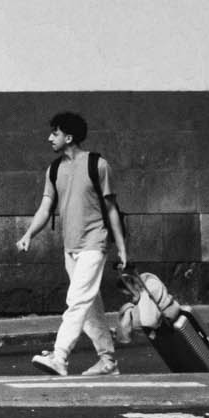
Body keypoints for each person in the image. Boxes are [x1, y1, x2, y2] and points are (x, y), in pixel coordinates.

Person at [15, 110, 130, 377]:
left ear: (69, 136)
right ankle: (108, 360)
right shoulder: (54, 169)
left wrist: (122, 248)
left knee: (77, 299)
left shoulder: (97, 165)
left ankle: (60, 356)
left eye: (54, 133)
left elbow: (112, 209)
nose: (49, 138)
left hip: (94, 241)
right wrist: (29, 234)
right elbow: (45, 208)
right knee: (89, 306)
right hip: (71, 247)